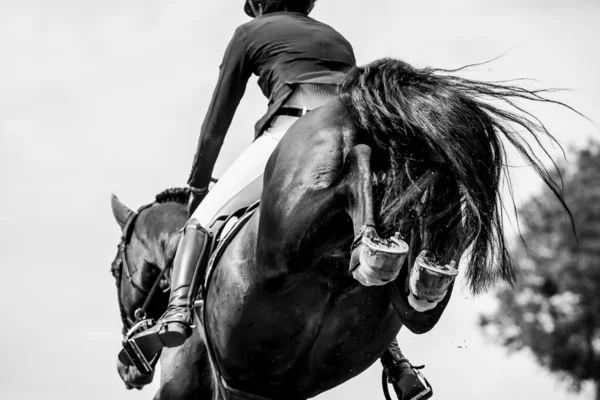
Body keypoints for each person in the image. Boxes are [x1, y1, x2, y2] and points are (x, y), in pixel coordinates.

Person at [123, 2, 430, 398]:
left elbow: (218, 118)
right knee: (360, 241)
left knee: (199, 222)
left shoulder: (249, 33)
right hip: (358, 137)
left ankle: (177, 312)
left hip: (293, 129)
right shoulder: (338, 38)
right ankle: (398, 363)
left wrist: (199, 186)